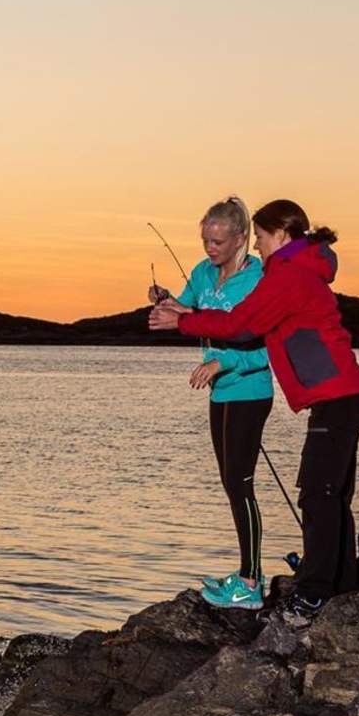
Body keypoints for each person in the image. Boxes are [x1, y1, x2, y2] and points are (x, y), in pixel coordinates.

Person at [149, 199, 359, 622]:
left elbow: (241, 326)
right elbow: (243, 322)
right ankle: (341, 584)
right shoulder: (295, 271)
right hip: (341, 395)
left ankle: (315, 592)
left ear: (282, 235)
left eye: (261, 237)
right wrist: (185, 311)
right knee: (331, 494)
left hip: (338, 397)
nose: (259, 245)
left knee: (319, 495)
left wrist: (184, 322)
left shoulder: (287, 276)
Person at [148, 197, 273, 611]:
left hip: (250, 391)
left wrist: (225, 360)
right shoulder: (202, 273)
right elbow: (190, 313)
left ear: (241, 238)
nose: (210, 249)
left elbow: (269, 351)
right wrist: (167, 302)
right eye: (205, 240)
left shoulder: (258, 280)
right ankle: (245, 575)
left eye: (218, 241)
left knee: (240, 483)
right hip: (219, 392)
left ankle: (251, 582)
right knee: (229, 482)